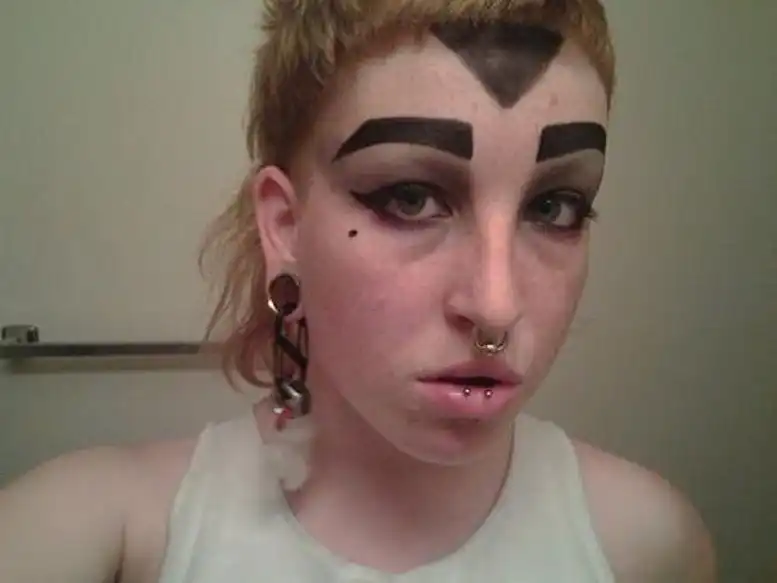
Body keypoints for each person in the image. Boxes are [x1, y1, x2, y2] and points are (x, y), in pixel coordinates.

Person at [0, 0, 717, 581]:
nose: (497, 306)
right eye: (410, 197)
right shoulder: (106, 532)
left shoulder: (647, 546)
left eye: (554, 207)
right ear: (286, 225)